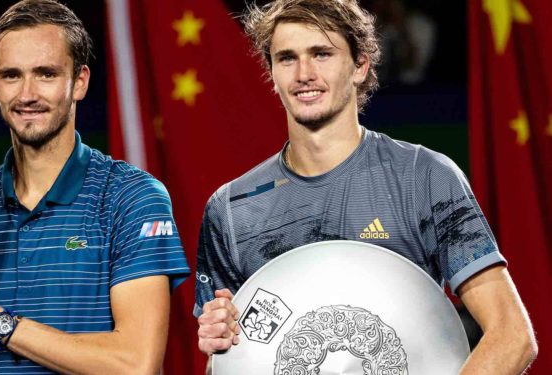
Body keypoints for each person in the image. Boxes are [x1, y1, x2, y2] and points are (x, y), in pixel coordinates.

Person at [194, 0, 537, 373]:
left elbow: (512, 335)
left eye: (322, 54)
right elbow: (226, 362)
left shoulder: (424, 176)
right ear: (272, 72)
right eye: (287, 58)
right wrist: (219, 345)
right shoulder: (231, 208)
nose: (304, 73)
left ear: (360, 66)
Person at [0, 1, 190, 374]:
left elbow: (134, 363)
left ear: (79, 82)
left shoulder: (132, 197)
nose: (27, 94)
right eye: (12, 75)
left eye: (45, 74)